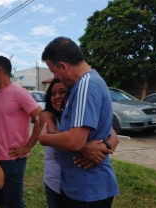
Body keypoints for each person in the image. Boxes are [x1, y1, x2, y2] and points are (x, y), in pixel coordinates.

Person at [39, 37, 120, 207]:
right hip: (80, 186)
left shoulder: (86, 85)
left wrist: (44, 138)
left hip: (87, 189)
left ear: (63, 66)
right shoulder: (88, 83)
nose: (55, 76)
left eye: (54, 71)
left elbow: (74, 141)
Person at [0, 55, 43, 208]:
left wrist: (28, 146)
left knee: (13, 203)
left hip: (12, 159)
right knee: (1, 202)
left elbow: (41, 119)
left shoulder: (19, 93)